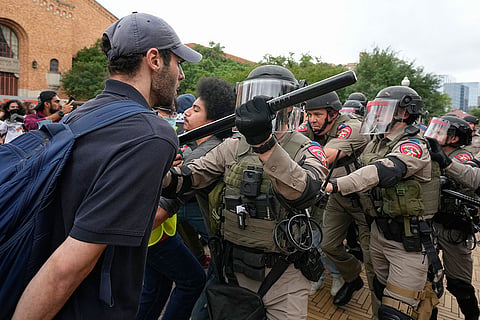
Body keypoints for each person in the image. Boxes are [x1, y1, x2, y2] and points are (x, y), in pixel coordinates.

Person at [12, 12, 201, 319]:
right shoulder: (152, 135)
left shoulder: (81, 116)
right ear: (154, 59)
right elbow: (68, 267)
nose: (181, 74)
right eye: (177, 62)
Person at [161, 65, 329, 320]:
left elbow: (306, 191)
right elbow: (190, 177)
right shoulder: (232, 147)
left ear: (289, 105)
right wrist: (157, 169)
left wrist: (264, 144)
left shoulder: (308, 149)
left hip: (285, 274)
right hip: (234, 270)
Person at [324, 86, 440, 320]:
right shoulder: (377, 142)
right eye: (375, 111)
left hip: (408, 241)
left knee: (398, 312)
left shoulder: (414, 145)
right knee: (379, 291)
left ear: (404, 113)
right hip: (379, 231)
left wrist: (336, 185)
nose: (376, 116)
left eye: (383, 110)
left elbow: (383, 171)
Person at [138, 77, 235, 320]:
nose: (187, 112)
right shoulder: (196, 147)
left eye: (196, 109)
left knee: (157, 288)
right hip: (154, 232)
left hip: (155, 231)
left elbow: (166, 205)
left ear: (211, 122)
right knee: (176, 284)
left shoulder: (207, 153)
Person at [299, 91, 376, 312]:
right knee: (328, 245)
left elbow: (325, 157)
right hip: (337, 196)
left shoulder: (351, 127)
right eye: (309, 115)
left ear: (332, 114)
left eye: (317, 114)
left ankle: (380, 304)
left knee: (371, 256)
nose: (312, 119)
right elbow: (292, 137)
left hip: (364, 200)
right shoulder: (314, 126)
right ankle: (352, 276)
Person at [423, 116, 480, 320]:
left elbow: (471, 177)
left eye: (441, 130)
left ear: (455, 138)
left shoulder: (461, 156)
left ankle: (472, 316)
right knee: (426, 279)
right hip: (429, 224)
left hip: (454, 229)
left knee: (459, 284)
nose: (434, 134)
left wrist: (447, 165)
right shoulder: (428, 152)